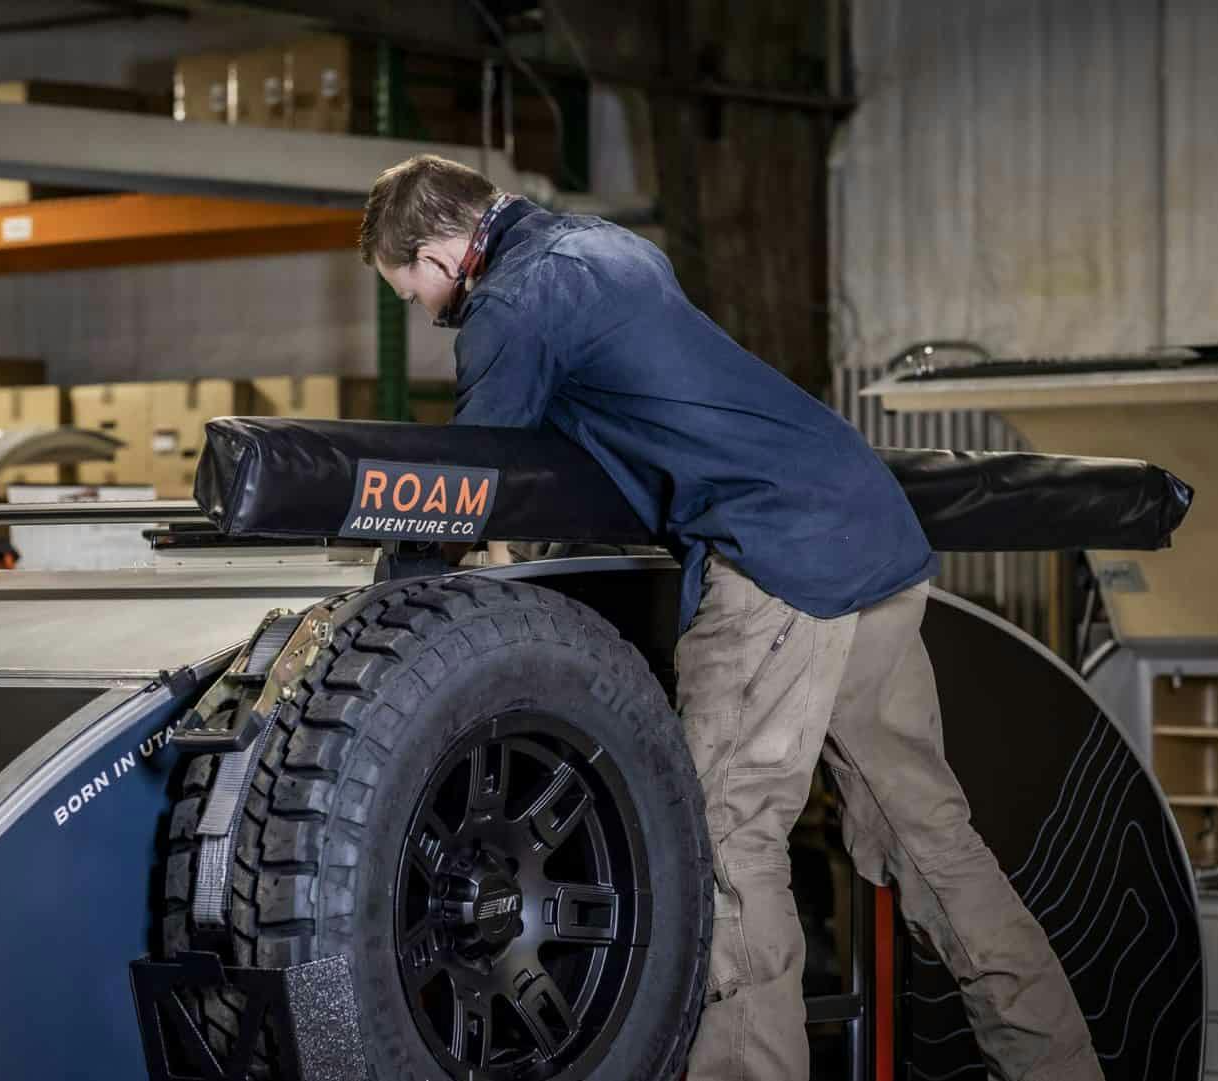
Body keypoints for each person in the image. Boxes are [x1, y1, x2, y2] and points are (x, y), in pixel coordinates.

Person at [359, 153, 1103, 1081]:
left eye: (414, 291)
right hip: (869, 528)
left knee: (721, 847)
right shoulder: (604, 247)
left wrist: (388, 597)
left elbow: (462, 482)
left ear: (439, 252)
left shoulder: (511, 300)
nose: (429, 313)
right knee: (931, 836)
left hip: (777, 563)